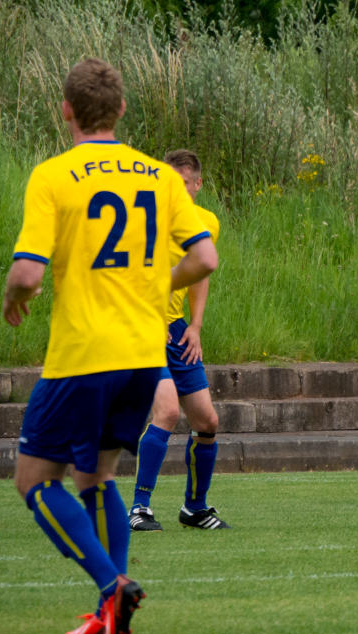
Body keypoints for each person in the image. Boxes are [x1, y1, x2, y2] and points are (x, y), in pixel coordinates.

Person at [4, 59, 217, 634]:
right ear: (122, 110)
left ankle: (108, 586)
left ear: (66, 110)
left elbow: (27, 274)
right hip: (144, 355)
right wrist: (153, 288)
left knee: (33, 481)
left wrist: (11, 295)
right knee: (95, 476)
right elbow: (204, 260)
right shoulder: (160, 176)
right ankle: (113, 609)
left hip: (82, 355)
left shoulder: (53, 175)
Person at [130, 150, 228, 532]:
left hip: (176, 329)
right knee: (168, 412)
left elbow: (199, 272)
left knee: (207, 420)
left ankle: (195, 509)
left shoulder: (205, 223)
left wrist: (196, 325)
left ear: (197, 185)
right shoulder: (145, 218)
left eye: (182, 183)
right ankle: (139, 507)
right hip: (143, 324)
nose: (175, 190)